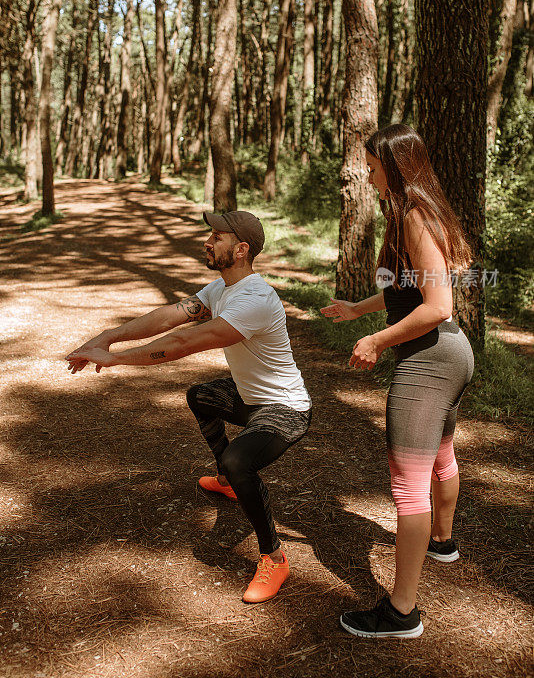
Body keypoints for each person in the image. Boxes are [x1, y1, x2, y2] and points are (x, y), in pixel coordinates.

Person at [66, 209, 311, 604]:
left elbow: (183, 344)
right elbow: (170, 317)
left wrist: (119, 359)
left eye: (217, 236)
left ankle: (274, 557)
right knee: (201, 396)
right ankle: (230, 484)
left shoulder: (255, 298)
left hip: (285, 409)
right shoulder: (221, 288)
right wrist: (108, 337)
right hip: (251, 399)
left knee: (238, 460)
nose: (208, 241)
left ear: (241, 248)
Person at [321, 124, 474, 639]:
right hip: (453, 354)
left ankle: (401, 611)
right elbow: (408, 291)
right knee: (442, 456)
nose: (367, 172)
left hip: (431, 359)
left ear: (393, 165)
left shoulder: (413, 216)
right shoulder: (417, 213)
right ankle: (443, 542)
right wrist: (356, 310)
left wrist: (376, 341)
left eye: (373, 163)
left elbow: (437, 306)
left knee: (408, 486)